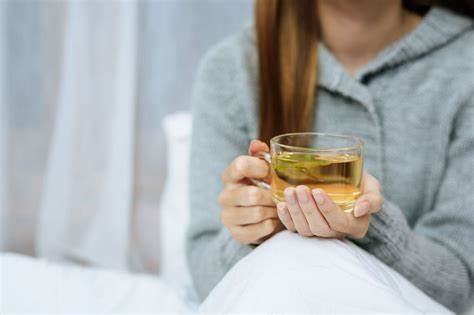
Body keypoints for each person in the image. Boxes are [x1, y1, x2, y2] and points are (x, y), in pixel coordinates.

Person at [187, 0, 474, 312]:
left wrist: (371, 226)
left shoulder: (465, 65)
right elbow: (207, 278)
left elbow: (459, 284)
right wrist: (257, 226)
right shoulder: (232, 69)